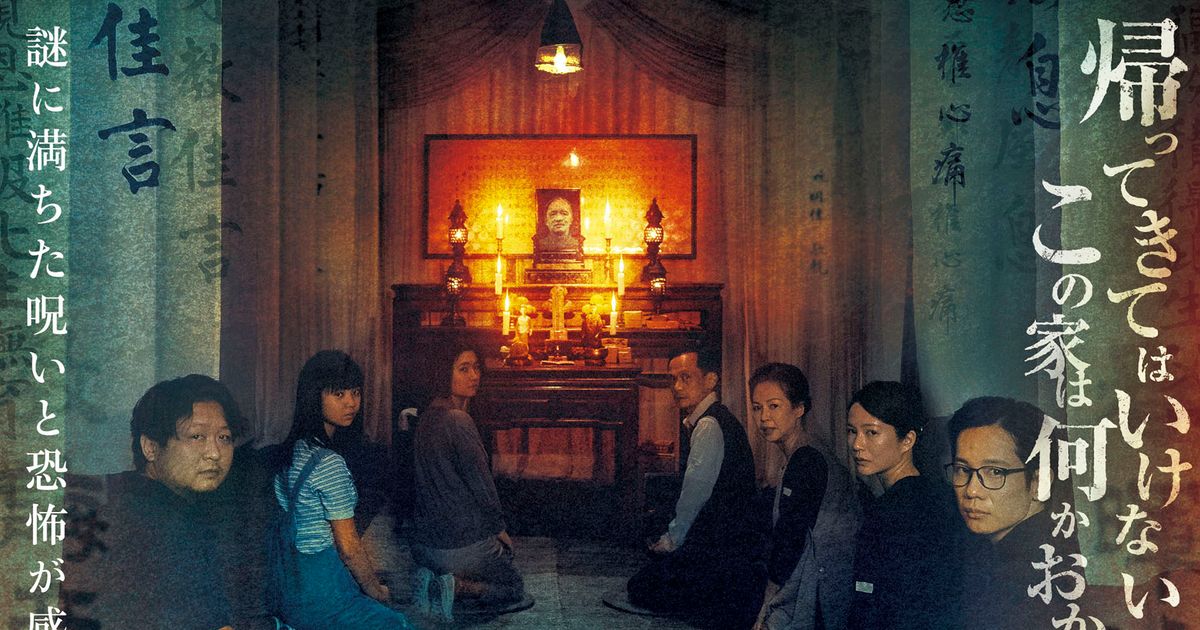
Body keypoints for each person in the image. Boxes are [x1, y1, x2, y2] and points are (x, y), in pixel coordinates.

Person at [63, 374, 245, 630]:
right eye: (197, 437)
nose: (214, 453)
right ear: (150, 447)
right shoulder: (160, 524)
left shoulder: (125, 494)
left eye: (224, 437)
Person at [269, 350, 413, 629]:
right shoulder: (329, 464)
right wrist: (376, 591)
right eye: (338, 394)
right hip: (323, 597)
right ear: (314, 396)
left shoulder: (294, 451)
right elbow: (348, 548)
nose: (351, 403)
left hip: (290, 592)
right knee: (399, 623)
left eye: (355, 392)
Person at [627, 347, 765, 629]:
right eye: (673, 379)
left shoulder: (709, 425)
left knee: (641, 587)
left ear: (710, 380)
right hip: (724, 541)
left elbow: (694, 496)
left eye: (686, 377)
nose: (677, 387)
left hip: (721, 547)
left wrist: (672, 541)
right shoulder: (712, 419)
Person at [411, 341, 526, 621]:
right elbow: (482, 483)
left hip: (425, 547)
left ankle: (438, 579)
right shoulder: (458, 420)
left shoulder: (425, 417)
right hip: (460, 545)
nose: (474, 376)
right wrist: (499, 528)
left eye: (476, 368)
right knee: (513, 586)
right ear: (444, 373)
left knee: (489, 561)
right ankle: (458, 586)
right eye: (463, 369)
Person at [947, 396, 1078, 629]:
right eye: (962, 469)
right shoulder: (991, 558)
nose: (972, 490)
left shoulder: (1034, 575)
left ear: (1039, 482)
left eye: (995, 472)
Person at [749, 363, 858, 630]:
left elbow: (790, 541)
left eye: (774, 406)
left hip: (820, 584)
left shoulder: (807, 459)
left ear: (799, 409)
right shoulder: (805, 452)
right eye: (757, 407)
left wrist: (765, 606)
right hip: (815, 577)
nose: (764, 417)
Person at [845, 381, 962, 629]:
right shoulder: (938, 494)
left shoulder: (889, 512)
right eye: (852, 431)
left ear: (907, 440)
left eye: (871, 433)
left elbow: (876, 605)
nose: (857, 444)